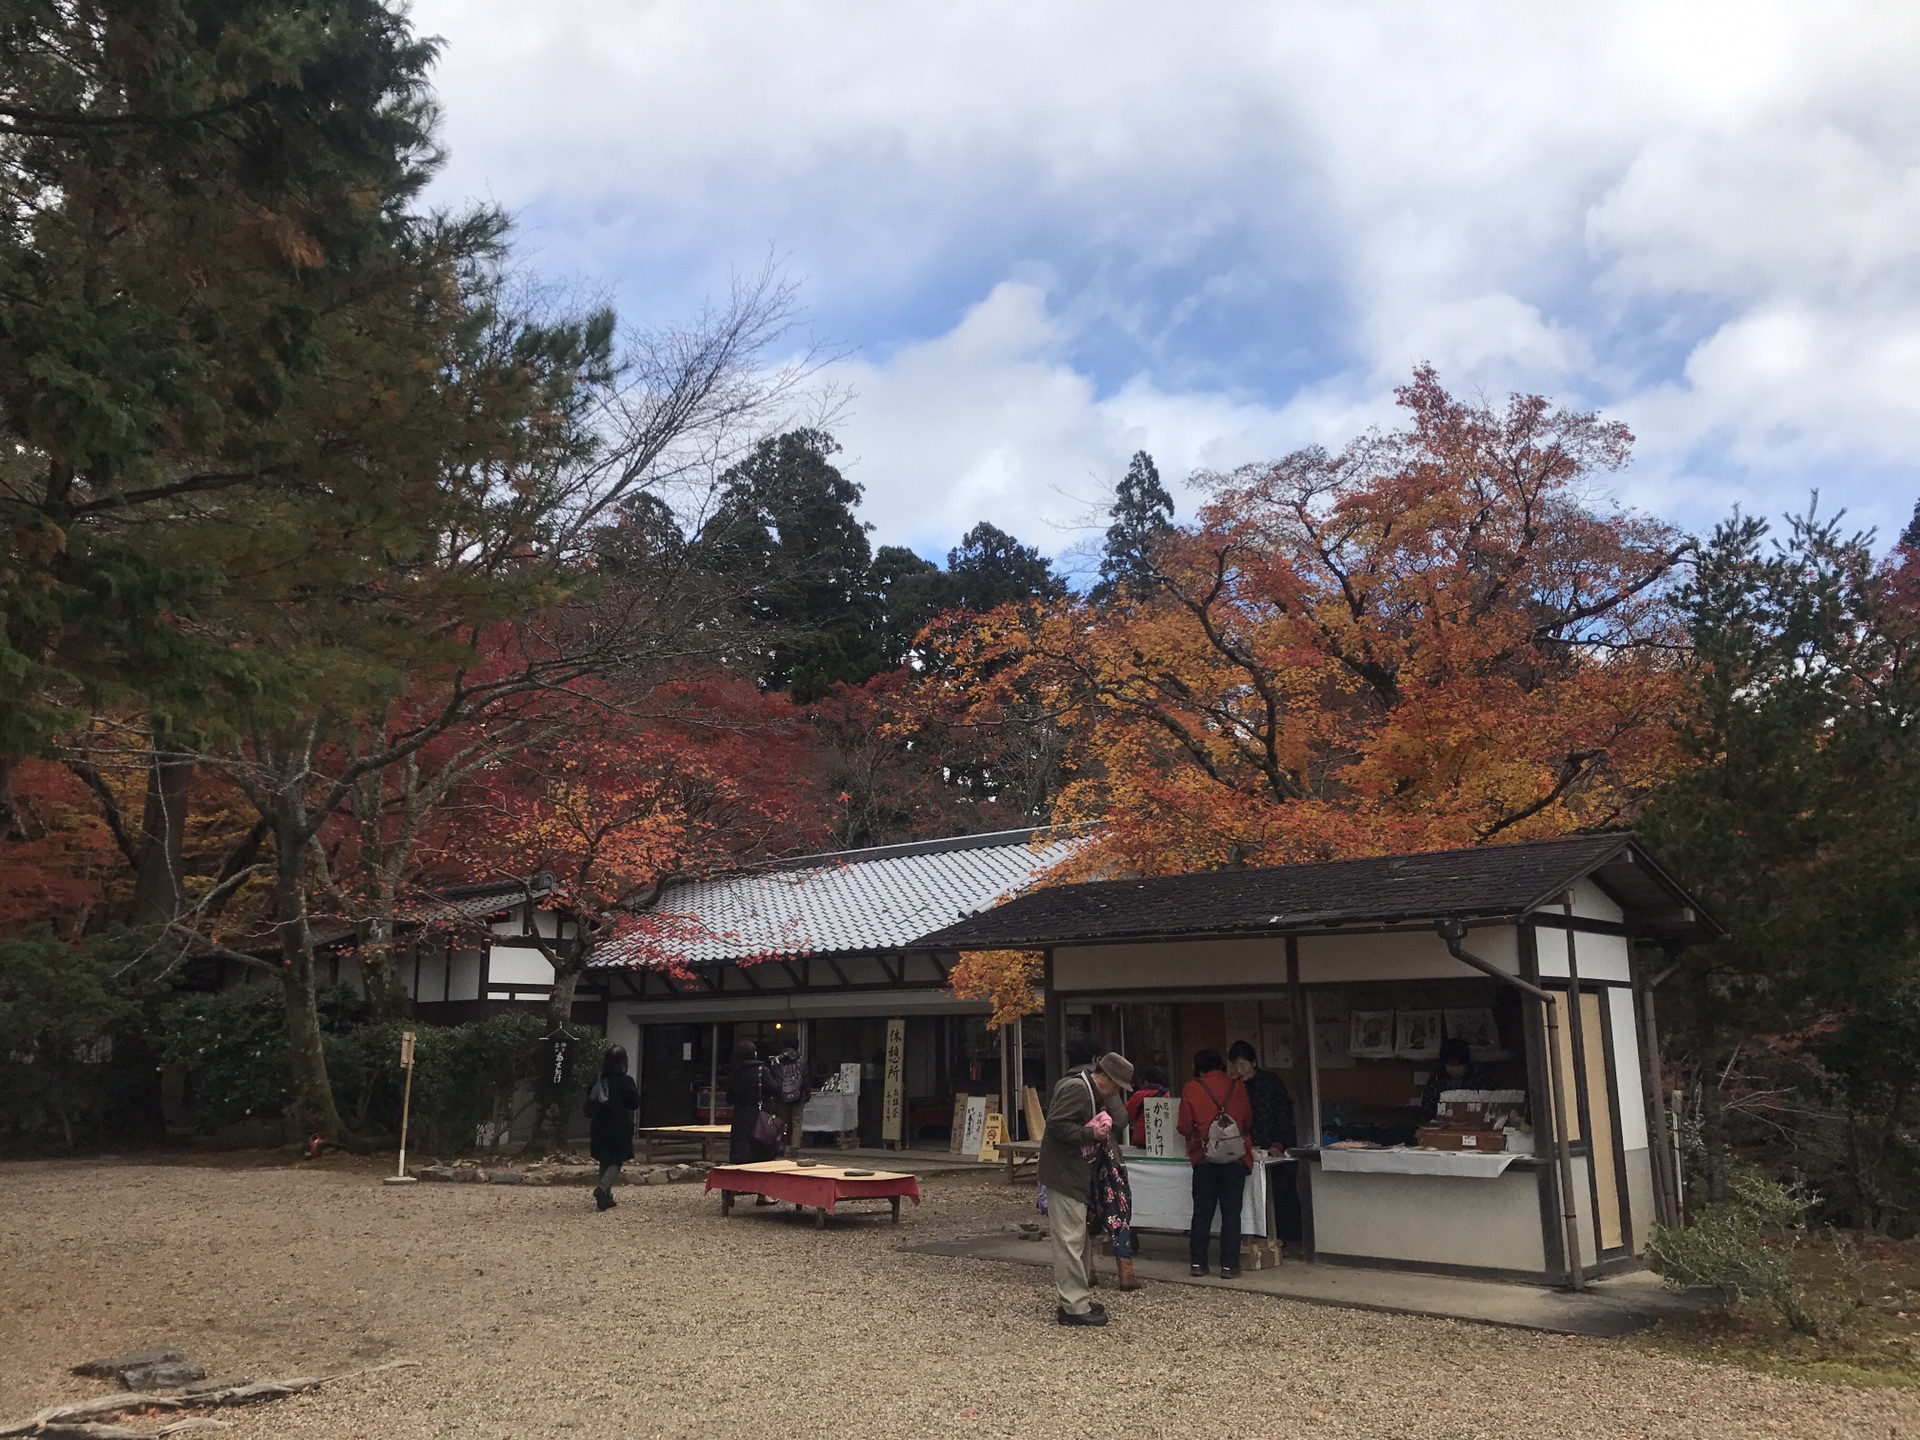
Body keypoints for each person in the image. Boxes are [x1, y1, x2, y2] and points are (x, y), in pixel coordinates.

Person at [1038, 1038, 1129, 1326]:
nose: (1118, 1093)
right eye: (1118, 1086)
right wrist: (1092, 1135)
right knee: (1069, 1241)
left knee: (1078, 1238)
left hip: (1075, 1173)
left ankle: (1078, 1298)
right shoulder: (1078, 1088)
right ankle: (1073, 1306)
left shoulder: (1084, 1086)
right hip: (1064, 1173)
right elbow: (1055, 1124)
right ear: (1107, 1077)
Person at [1177, 1047, 1253, 1278]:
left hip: (1204, 1158)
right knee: (1231, 1212)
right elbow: (1248, 1121)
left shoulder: (1192, 1088)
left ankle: (1198, 1263)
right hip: (1235, 1159)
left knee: (1202, 1212)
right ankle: (1229, 1265)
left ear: (1198, 1067)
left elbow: (1184, 1126)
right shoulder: (1237, 1086)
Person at [1085, 1053, 1142, 1292]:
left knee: (1084, 1214)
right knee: (1118, 1212)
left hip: (1084, 1161)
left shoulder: (1075, 1083)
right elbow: (1120, 1120)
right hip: (1107, 1160)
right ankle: (1125, 1272)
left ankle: (1087, 1270)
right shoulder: (1097, 1089)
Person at [586, 1046, 641, 1212]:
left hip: (599, 1125)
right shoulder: (626, 1081)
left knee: (604, 1159)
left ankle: (606, 1198)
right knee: (617, 1159)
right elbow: (634, 1103)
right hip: (619, 1126)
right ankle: (602, 1189)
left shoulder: (598, 1080)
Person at [1227, 1040, 1295, 1155]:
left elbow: (1283, 1113)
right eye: (1234, 1065)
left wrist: (1278, 1144)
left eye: (1243, 1065)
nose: (1238, 1070)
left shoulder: (1270, 1081)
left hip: (1274, 1146)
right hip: (1246, 1150)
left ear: (1253, 1063)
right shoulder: (1234, 1087)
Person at [1420, 1037, 1491, 1121]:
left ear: (1465, 1063)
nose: (1454, 1069)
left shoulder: (1479, 1078)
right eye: (1450, 1065)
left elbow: (1488, 1106)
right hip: (1441, 1126)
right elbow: (1426, 1106)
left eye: (1458, 1065)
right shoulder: (1437, 1078)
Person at [1123, 1063, 1170, 1147]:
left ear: (1146, 1080)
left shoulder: (1138, 1095)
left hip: (1141, 1139)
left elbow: (1127, 1114)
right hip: (1163, 1139)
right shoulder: (1167, 1095)